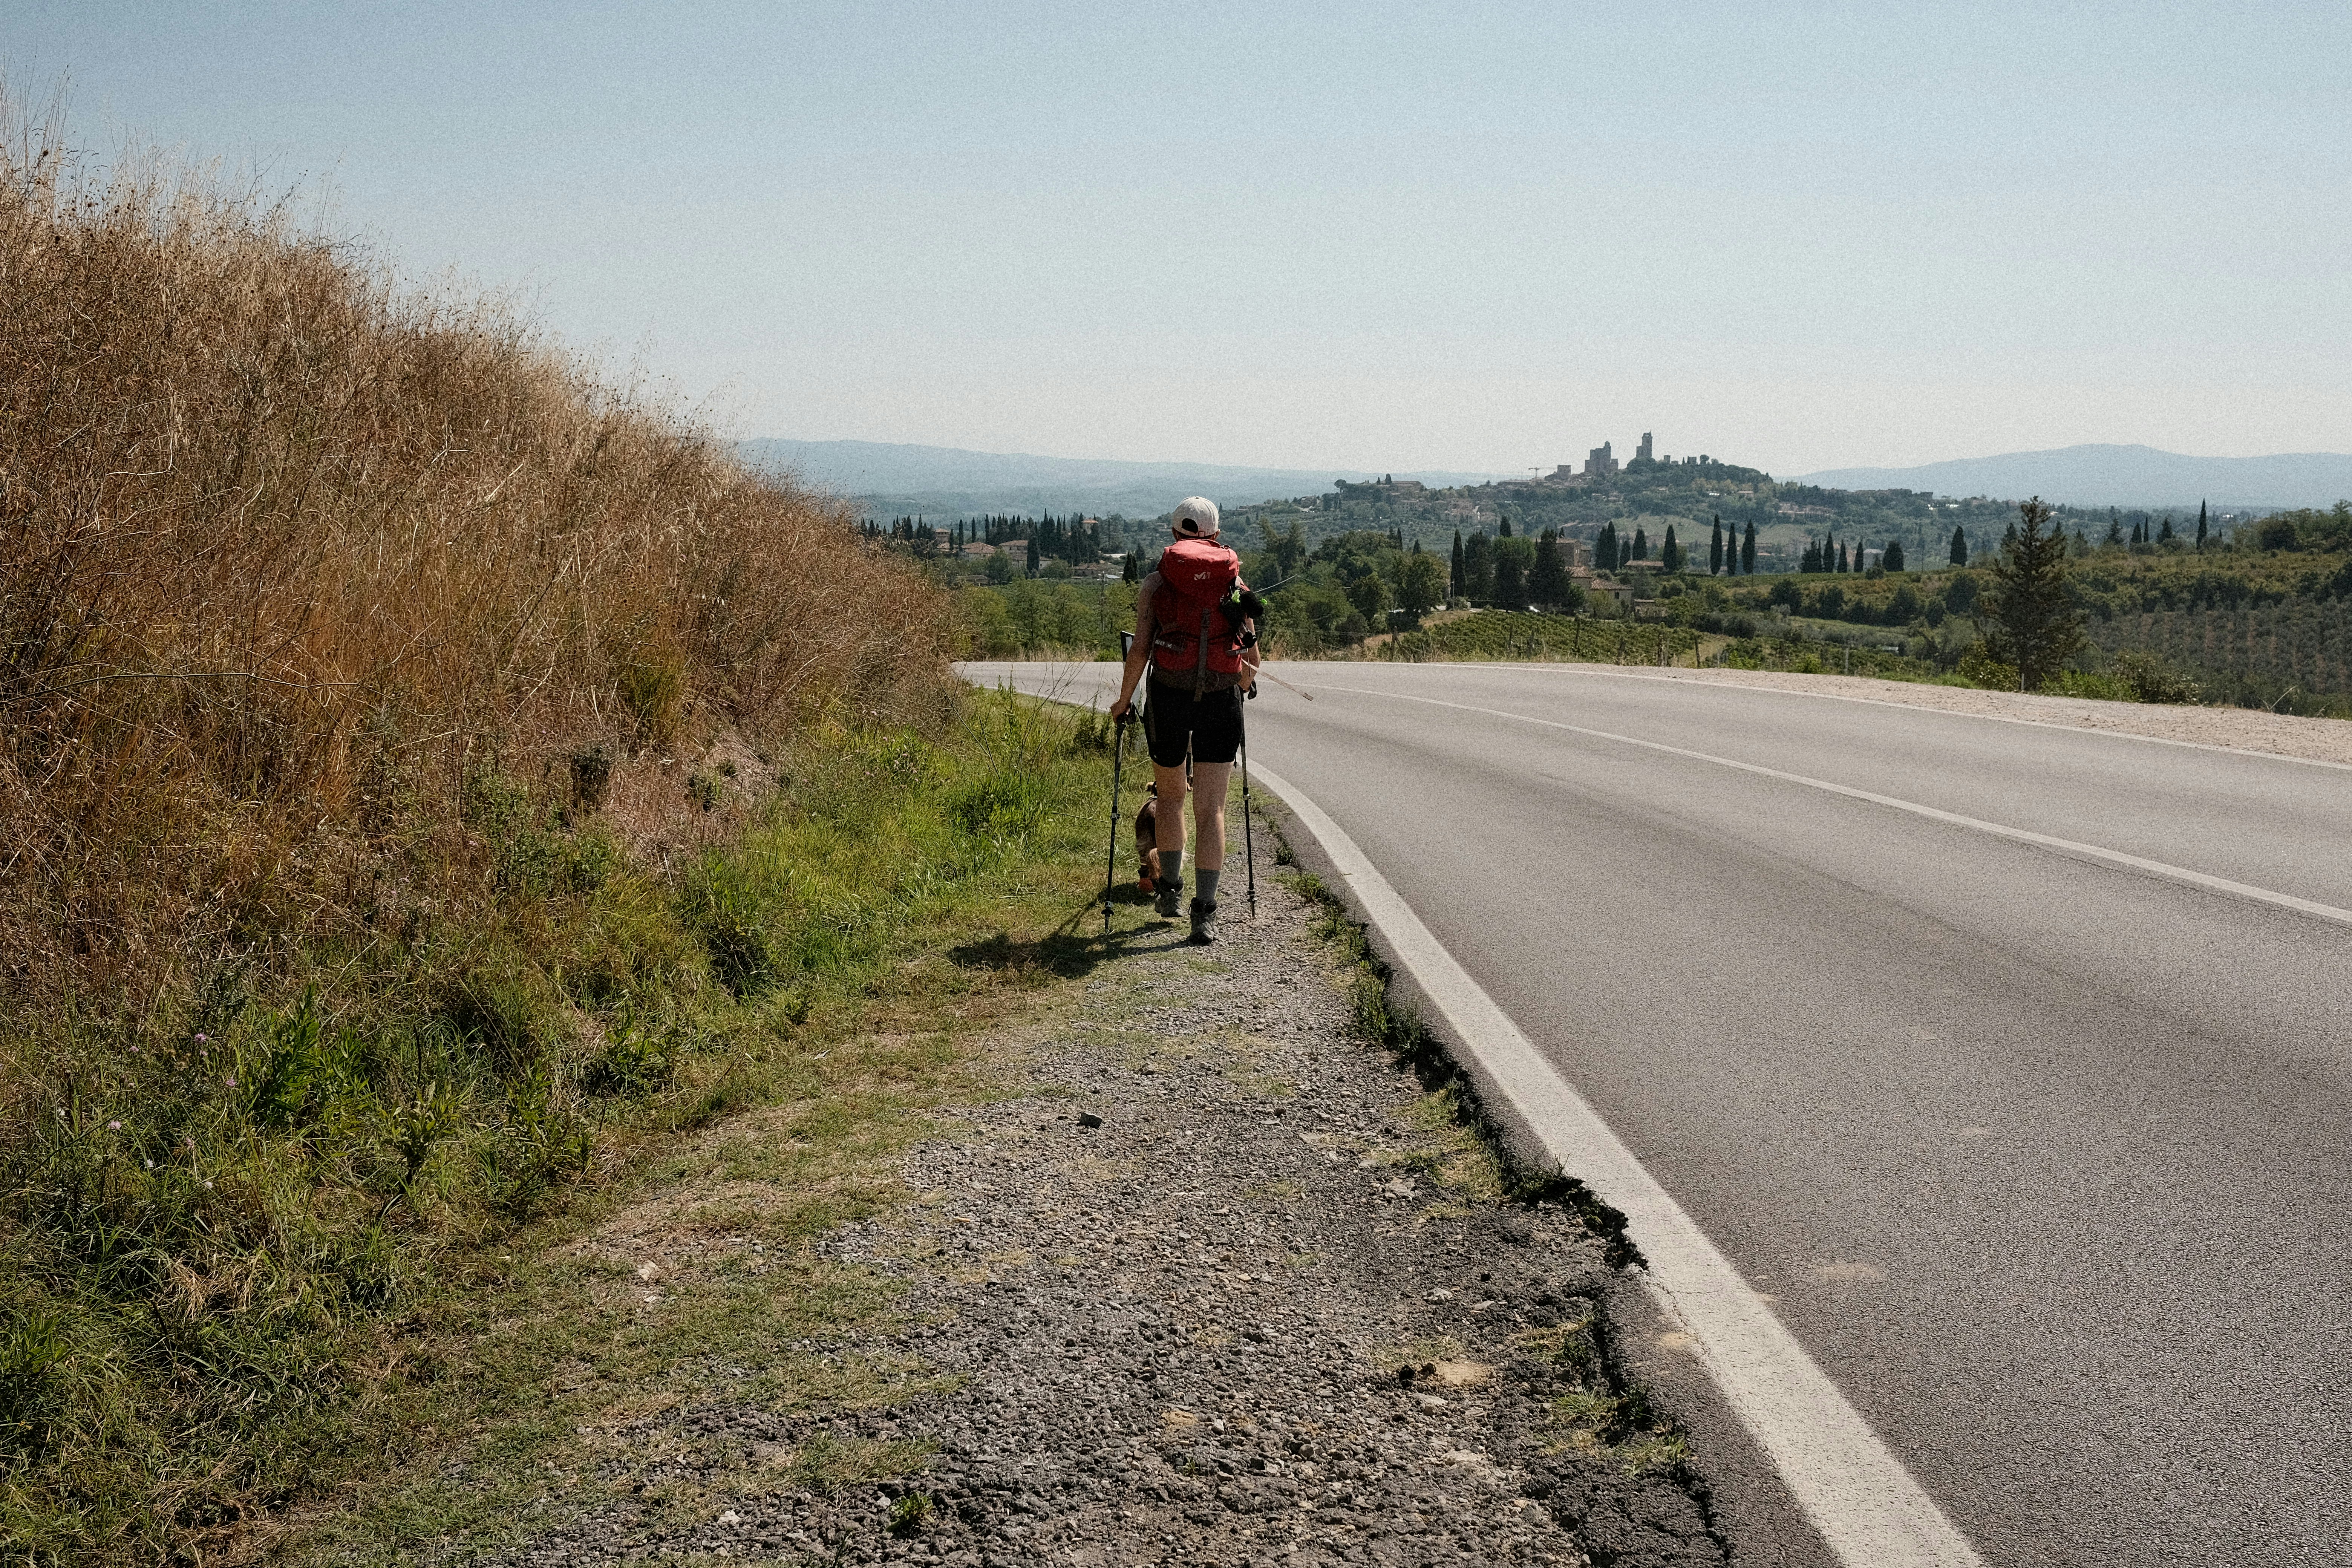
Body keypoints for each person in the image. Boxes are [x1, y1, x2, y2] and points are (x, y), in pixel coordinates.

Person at [1110, 497, 1258, 944]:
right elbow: (1250, 659)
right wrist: (1242, 684)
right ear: (1216, 535)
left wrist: (1123, 700)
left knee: (1172, 798)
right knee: (1210, 807)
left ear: (1175, 535)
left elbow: (1140, 649)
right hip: (1219, 701)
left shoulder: (1157, 582)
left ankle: (1171, 892)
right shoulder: (1235, 585)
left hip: (1169, 698)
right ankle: (1205, 913)